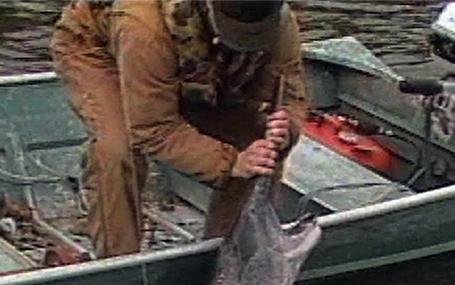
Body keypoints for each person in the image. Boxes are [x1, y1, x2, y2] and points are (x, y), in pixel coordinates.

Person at [51, 0, 308, 258]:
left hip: (190, 53)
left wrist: (286, 129)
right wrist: (231, 163)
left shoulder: (279, 21)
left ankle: (226, 255)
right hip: (97, 46)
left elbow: (289, 94)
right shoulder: (144, 27)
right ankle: (119, 262)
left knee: (259, 148)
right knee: (117, 149)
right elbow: (152, 130)